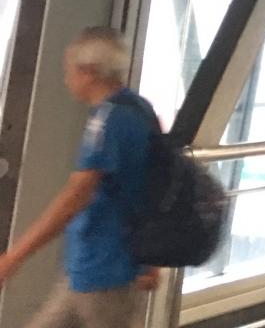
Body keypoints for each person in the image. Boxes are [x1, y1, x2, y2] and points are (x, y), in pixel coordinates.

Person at [0, 28, 158, 326]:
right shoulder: (139, 109)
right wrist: (151, 259)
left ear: (88, 72)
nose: (66, 79)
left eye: (69, 70)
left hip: (107, 271)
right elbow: (150, 187)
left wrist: (14, 257)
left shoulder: (109, 120)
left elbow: (74, 197)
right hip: (88, 267)